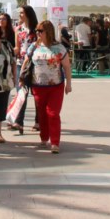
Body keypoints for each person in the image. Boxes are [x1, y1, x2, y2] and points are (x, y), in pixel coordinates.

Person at [19, 20, 73, 154]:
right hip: (38, 86)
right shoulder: (33, 47)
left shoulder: (59, 47)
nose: (38, 33)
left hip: (56, 86)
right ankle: (44, 137)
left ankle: (55, 142)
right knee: (42, 113)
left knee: (53, 113)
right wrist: (21, 79)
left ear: (48, 32)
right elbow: (26, 62)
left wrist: (69, 84)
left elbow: (66, 66)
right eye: (37, 30)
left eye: (40, 31)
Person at [12, 5, 38, 133]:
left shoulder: (38, 29)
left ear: (28, 14)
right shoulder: (18, 29)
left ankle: (38, 121)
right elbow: (18, 46)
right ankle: (19, 122)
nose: (20, 15)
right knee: (21, 93)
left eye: (22, 13)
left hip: (35, 64)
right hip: (20, 63)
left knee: (37, 93)